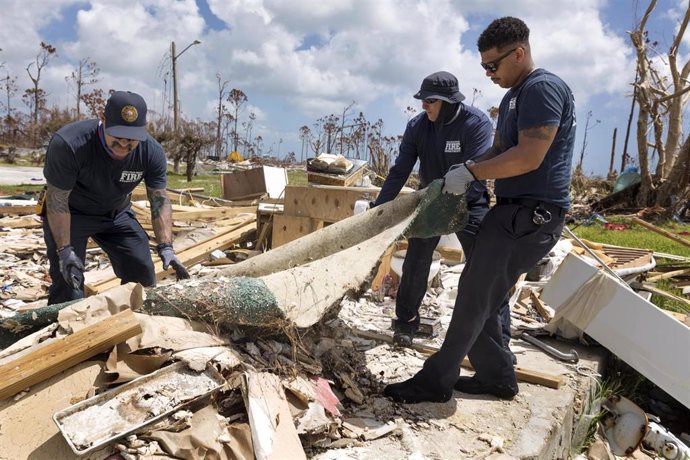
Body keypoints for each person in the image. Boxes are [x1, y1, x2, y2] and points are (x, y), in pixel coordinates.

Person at [384, 16, 576, 403]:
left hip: (532, 215)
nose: (488, 73)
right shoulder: (511, 97)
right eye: (484, 66)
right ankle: (496, 377)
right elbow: (500, 150)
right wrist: (468, 168)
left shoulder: (542, 89)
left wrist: (472, 171)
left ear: (518, 53)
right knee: (483, 293)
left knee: (474, 294)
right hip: (511, 212)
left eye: (494, 65)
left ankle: (435, 382)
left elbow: (529, 156)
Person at [372, 70, 513, 352]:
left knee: (486, 268)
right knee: (415, 261)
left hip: (469, 201)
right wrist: (380, 207)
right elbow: (400, 170)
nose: (424, 105)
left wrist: (459, 200)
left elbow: (479, 169)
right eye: (423, 100)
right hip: (431, 202)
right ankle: (406, 322)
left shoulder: (476, 124)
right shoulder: (417, 126)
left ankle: (500, 342)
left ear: (448, 101)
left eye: (430, 101)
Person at [42, 90, 189, 305]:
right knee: (69, 285)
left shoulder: (151, 152)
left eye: (131, 141)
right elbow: (57, 200)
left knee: (142, 272)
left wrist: (166, 246)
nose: (123, 146)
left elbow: (159, 199)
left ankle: (130, 325)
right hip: (71, 214)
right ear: (103, 119)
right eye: (117, 138)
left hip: (116, 214)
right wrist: (64, 250)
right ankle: (62, 333)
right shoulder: (69, 144)